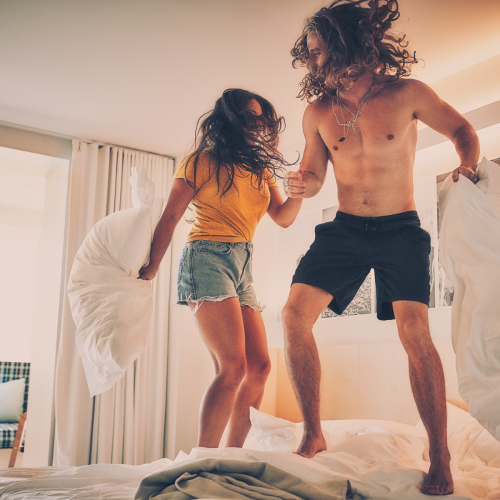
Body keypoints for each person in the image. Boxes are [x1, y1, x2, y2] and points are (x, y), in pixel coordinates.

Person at [282, 0, 479, 496]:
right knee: (291, 317)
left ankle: (439, 453)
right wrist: (302, 183)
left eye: (321, 52)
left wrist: (467, 163)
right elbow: (314, 171)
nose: (314, 62)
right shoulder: (319, 113)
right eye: (310, 54)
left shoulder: (406, 94)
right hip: (345, 229)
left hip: (400, 230)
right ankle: (313, 432)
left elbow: (462, 130)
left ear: (349, 45)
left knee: (414, 332)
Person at [139, 89, 302, 448]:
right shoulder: (201, 160)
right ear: (229, 119)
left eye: (260, 119)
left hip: (243, 264)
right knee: (233, 367)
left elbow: (283, 218)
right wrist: (152, 266)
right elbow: (171, 215)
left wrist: (299, 193)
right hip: (206, 257)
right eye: (248, 117)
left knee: (259, 367)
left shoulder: (260, 170)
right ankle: (203, 459)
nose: (256, 125)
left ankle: (231, 455)